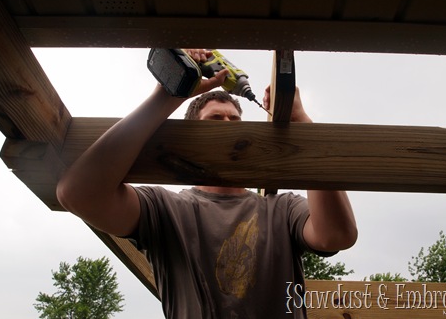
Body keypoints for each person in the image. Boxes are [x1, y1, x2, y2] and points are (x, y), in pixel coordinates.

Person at [56, 49, 358, 318]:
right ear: (192, 136)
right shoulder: (165, 209)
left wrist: (301, 121)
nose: (227, 127)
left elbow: (337, 235)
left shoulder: (282, 209)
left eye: (234, 121)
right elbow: (78, 194)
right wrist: (169, 94)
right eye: (215, 120)